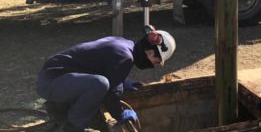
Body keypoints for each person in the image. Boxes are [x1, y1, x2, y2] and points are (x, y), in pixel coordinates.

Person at [36, 26, 176, 132]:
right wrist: (121, 114)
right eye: (156, 61)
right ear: (150, 51)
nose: (152, 65)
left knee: (101, 84)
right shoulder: (125, 57)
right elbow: (110, 95)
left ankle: (58, 108)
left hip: (56, 79)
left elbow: (100, 67)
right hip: (51, 82)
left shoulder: (123, 44)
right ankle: (72, 127)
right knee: (100, 85)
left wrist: (122, 81)